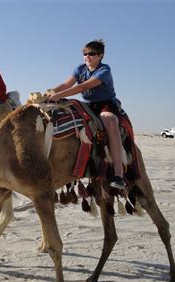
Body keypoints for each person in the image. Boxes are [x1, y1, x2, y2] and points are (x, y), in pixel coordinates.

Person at [48, 39, 126, 190]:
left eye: (92, 54)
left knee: (109, 121)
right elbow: (66, 84)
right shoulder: (80, 68)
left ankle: (118, 173)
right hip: (88, 105)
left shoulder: (104, 70)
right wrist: (49, 92)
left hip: (105, 104)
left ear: (100, 56)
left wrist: (59, 95)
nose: (87, 57)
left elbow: (84, 86)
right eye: (85, 54)